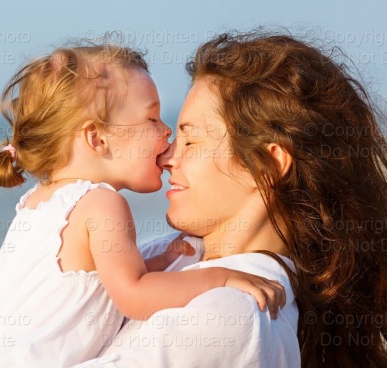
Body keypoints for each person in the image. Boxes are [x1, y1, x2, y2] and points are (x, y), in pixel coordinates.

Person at [0, 43, 285, 368]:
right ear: (98, 138)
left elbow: (82, 290)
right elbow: (134, 296)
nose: (166, 133)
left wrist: (154, 263)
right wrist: (221, 279)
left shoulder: (36, 203)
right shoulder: (102, 203)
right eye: (152, 119)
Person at [79, 31, 387, 368]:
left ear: (268, 166)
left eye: (191, 141)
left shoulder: (237, 314)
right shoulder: (177, 257)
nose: (167, 157)